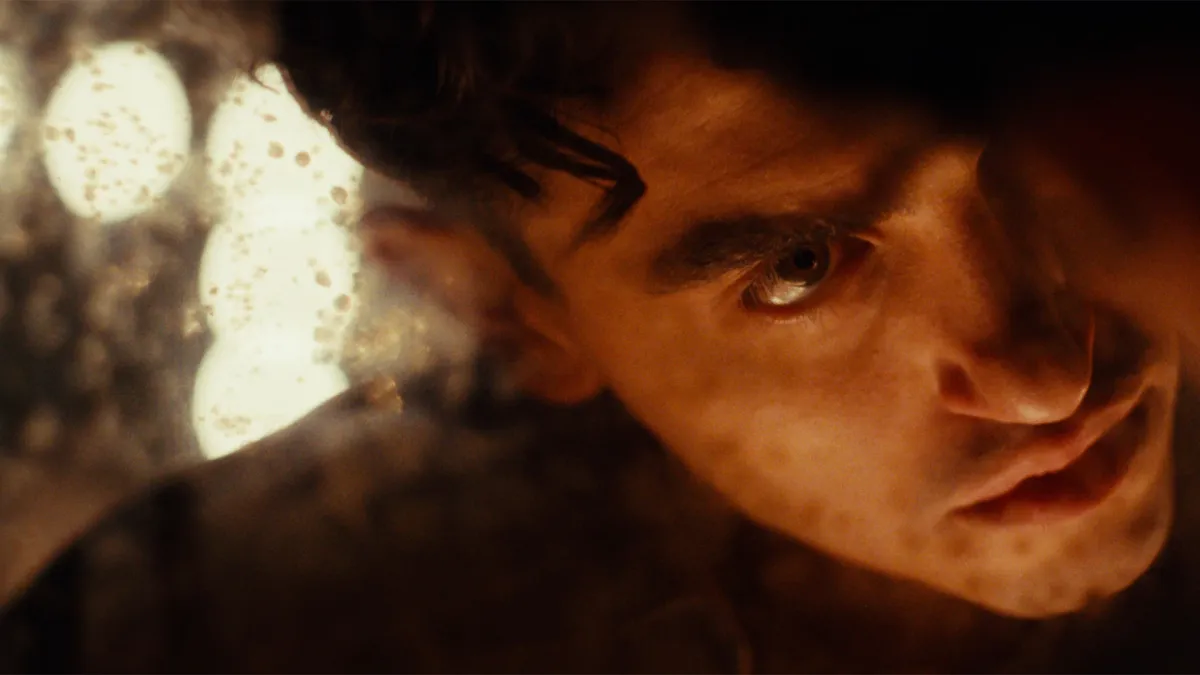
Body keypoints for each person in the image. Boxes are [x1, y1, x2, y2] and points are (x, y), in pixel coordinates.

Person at [6, 2, 1200, 671]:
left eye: (1056, 170)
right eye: (799, 268)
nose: (1049, 378)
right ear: (508, 315)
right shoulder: (235, 630)